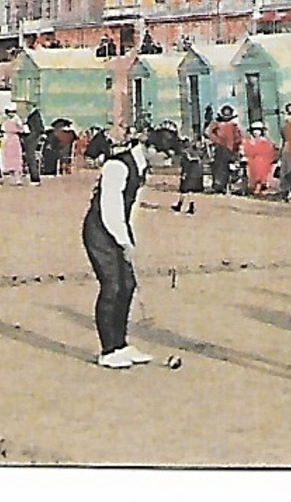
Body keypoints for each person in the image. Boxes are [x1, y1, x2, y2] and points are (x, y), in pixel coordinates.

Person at [83, 126, 181, 367]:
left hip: (118, 229)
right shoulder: (117, 165)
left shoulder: (141, 167)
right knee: (112, 286)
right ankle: (108, 351)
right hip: (100, 231)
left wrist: (129, 236)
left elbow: (131, 206)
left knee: (128, 285)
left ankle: (121, 344)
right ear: (151, 148)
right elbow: (110, 206)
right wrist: (122, 240)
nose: (166, 161)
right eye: (165, 155)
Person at [205, 106, 243, 195]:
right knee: (219, 166)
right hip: (220, 148)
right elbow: (208, 133)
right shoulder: (216, 124)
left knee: (232, 168)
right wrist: (217, 140)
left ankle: (231, 185)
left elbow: (239, 136)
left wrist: (237, 146)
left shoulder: (234, 125)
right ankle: (219, 185)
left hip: (232, 149)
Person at [243, 121, 278, 195]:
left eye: (258, 130)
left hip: (264, 162)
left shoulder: (267, 142)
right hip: (251, 161)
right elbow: (247, 152)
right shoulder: (248, 142)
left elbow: (270, 153)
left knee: (261, 169)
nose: (256, 132)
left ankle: (259, 187)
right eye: (254, 130)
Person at [0, 108, 25, 184]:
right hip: (7, 139)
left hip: (14, 139)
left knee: (16, 159)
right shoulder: (4, 119)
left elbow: (22, 129)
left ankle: (18, 178)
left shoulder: (17, 120)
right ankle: (10, 177)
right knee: (6, 159)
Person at [23, 102, 46, 184]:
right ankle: (34, 177)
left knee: (30, 157)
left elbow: (38, 129)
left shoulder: (34, 115)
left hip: (32, 138)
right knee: (30, 157)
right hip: (32, 137)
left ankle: (35, 177)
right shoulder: (34, 115)